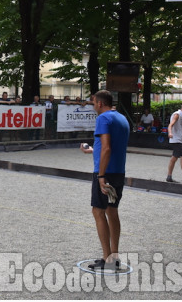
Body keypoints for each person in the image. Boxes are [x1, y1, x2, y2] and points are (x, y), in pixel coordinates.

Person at [79, 90, 129, 271]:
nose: (93, 106)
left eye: (93, 103)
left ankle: (107, 258)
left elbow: (106, 148)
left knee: (98, 211)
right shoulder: (121, 119)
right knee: (112, 211)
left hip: (104, 172)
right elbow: (112, 147)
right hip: (118, 171)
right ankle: (114, 257)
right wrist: (92, 150)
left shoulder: (103, 119)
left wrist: (100, 176)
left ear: (100, 103)